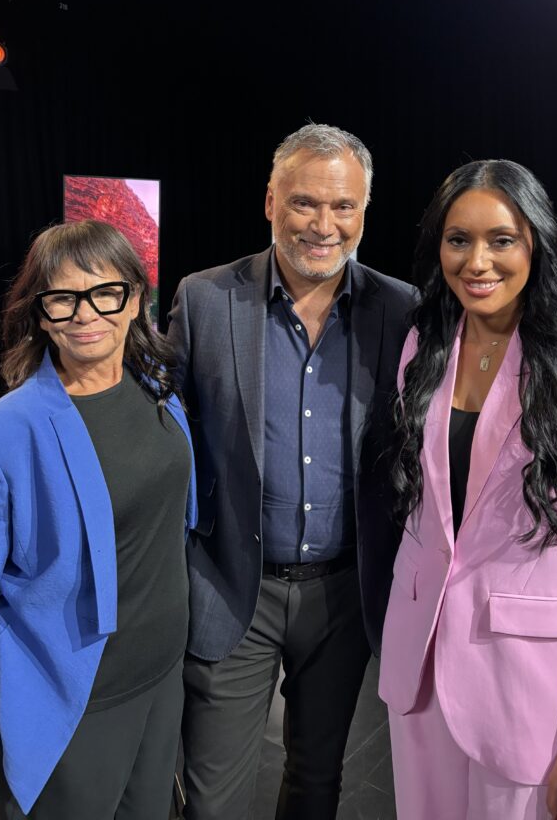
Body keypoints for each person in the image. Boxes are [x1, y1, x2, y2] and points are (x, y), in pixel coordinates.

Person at [379, 159, 557, 820]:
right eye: (457, 239)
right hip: (421, 673)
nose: (477, 261)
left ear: (536, 243)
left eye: (501, 239)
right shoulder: (424, 347)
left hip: (529, 690)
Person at [166, 123, 416, 820]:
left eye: (344, 207)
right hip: (229, 588)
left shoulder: (401, 309)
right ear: (270, 200)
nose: (324, 225)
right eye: (305, 202)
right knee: (211, 802)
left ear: (364, 211)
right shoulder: (204, 300)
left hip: (342, 594)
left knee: (315, 785)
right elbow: (163, 433)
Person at [0, 220, 197, 819]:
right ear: (41, 313)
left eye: (105, 293)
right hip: (75, 697)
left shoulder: (158, 390)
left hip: (161, 675)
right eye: (63, 298)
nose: (86, 314)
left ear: (135, 300)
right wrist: (10, 710)